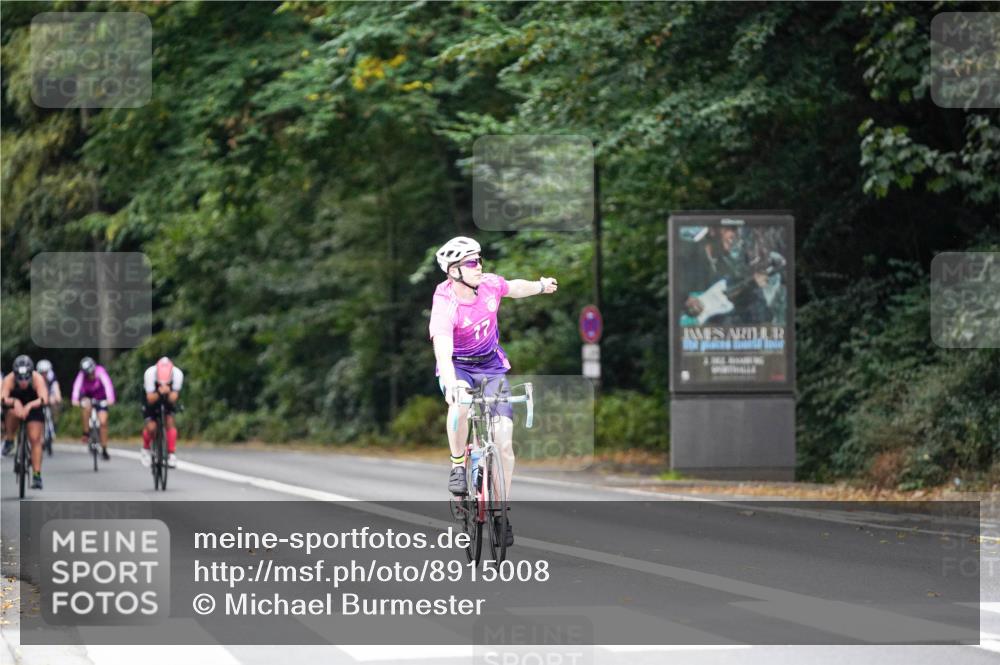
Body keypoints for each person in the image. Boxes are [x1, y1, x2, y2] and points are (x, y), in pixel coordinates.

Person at [428, 236, 558, 547]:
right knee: (459, 403)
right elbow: (443, 355)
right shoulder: (445, 304)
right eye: (471, 262)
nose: (479, 266)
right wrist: (451, 388)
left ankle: (500, 512)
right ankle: (458, 465)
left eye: (479, 259)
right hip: (458, 367)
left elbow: (515, 287)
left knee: (504, 443)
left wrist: (540, 285)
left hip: (491, 367)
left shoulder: (488, 285)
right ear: (453, 271)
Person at [1, 356, 49, 489]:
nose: (23, 381)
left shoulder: (37, 378)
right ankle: (10, 439)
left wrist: (28, 406)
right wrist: (15, 402)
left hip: (33, 406)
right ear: (15, 375)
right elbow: (3, 398)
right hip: (15, 407)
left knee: (35, 439)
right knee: (10, 412)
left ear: (31, 374)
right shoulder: (9, 379)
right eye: (20, 378)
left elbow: (44, 398)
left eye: (26, 377)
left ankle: (37, 475)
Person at [140, 356, 184, 468]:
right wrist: (160, 392)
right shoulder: (150, 373)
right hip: (152, 398)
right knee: (152, 427)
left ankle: (171, 454)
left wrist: (168, 392)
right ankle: (146, 449)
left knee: (169, 421)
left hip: (167, 399)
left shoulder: (177, 374)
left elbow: (173, 398)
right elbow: (150, 398)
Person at [71, 356, 116, 460]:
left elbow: (107, 384)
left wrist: (110, 398)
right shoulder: (81, 375)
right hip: (87, 397)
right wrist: (75, 399)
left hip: (101, 397)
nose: (90, 375)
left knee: (103, 422)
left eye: (91, 373)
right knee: (86, 407)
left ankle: (104, 449)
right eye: (88, 374)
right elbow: (76, 387)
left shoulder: (100, 371)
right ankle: (86, 432)